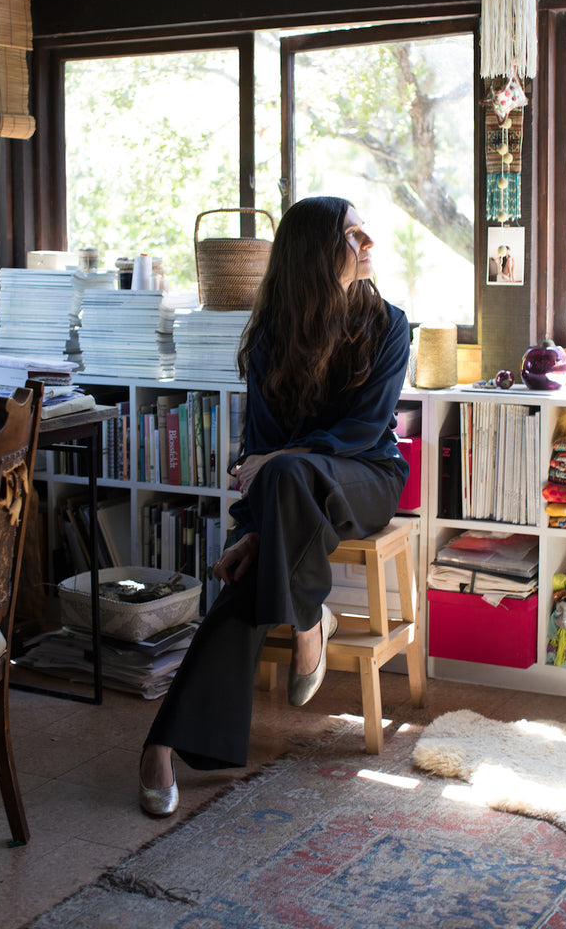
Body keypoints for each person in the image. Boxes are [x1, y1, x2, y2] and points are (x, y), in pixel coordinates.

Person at [138, 195, 410, 816]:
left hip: (365, 477)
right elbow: (259, 450)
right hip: (295, 492)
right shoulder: (268, 336)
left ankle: (163, 742)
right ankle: (307, 615)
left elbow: (364, 432)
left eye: (365, 232)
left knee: (286, 471)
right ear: (316, 252)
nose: (367, 243)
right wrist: (254, 532)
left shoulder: (389, 324)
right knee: (273, 509)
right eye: (352, 235)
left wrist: (278, 487)